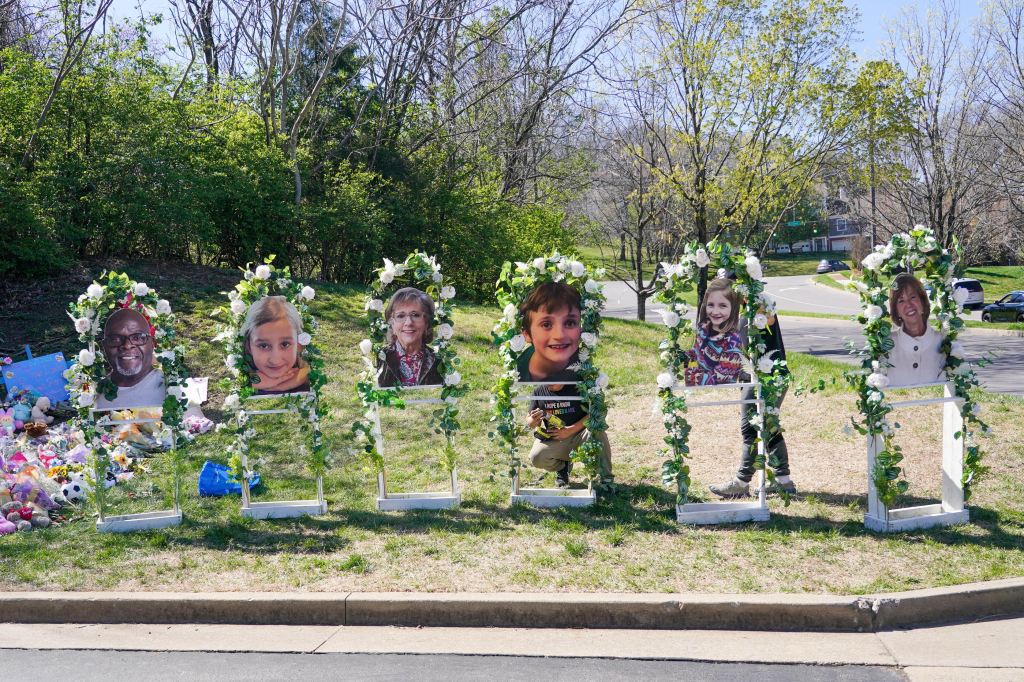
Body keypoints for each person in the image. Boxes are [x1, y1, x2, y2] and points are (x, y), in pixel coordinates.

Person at [517, 282, 612, 487]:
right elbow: (530, 418)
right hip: (555, 438)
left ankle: (604, 479)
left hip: (580, 433)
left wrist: (571, 429)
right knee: (537, 457)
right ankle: (563, 467)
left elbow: (598, 413)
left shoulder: (580, 381)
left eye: (569, 323)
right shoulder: (539, 387)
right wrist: (532, 421)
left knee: (596, 430)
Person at [709, 301, 796, 498]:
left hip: (767, 379)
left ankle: (741, 483)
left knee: (752, 428)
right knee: (767, 426)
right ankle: (784, 482)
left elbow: (770, 319)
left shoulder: (760, 307)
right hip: (757, 379)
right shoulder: (740, 312)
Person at [96, 308, 165, 409]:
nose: (127, 345)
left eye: (137, 338)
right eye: (115, 339)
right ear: (104, 346)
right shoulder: (94, 394)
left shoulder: (172, 387)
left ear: (152, 344)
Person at [885, 273, 946, 387]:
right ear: (896, 310)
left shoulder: (943, 341)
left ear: (922, 302)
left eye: (913, 297)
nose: (908, 305)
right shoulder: (886, 344)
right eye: (901, 301)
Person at [242, 296, 311, 394]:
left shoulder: (309, 374)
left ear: (299, 345)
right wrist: (255, 381)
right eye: (263, 346)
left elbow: (309, 372)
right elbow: (240, 379)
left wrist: (281, 384)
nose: (275, 360)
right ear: (249, 346)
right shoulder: (239, 374)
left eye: (285, 344)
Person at [377, 287, 443, 387]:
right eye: (400, 316)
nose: (408, 323)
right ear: (392, 324)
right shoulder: (379, 356)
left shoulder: (439, 360)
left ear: (426, 323)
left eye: (416, 315)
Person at [683, 278, 744, 386]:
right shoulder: (704, 327)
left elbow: (723, 380)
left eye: (723, 306)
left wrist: (689, 375)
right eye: (711, 305)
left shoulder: (732, 342)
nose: (715, 312)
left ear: (733, 308)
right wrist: (682, 356)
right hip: (698, 394)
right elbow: (697, 351)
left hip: (717, 397)